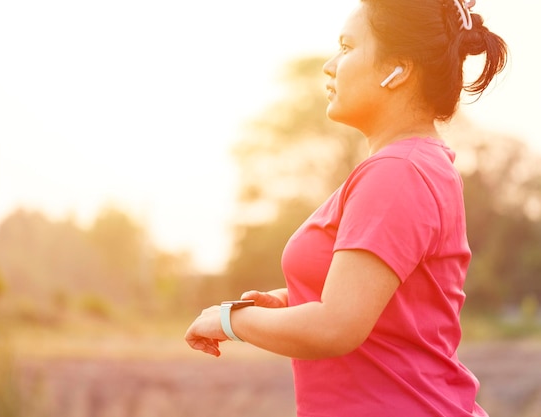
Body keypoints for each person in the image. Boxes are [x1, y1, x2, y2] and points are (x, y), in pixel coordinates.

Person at [185, 0, 508, 415]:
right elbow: (387, 303)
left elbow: (335, 327)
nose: (330, 65)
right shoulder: (413, 164)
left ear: (400, 69)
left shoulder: (397, 172)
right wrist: (290, 302)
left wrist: (228, 320)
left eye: (347, 46)